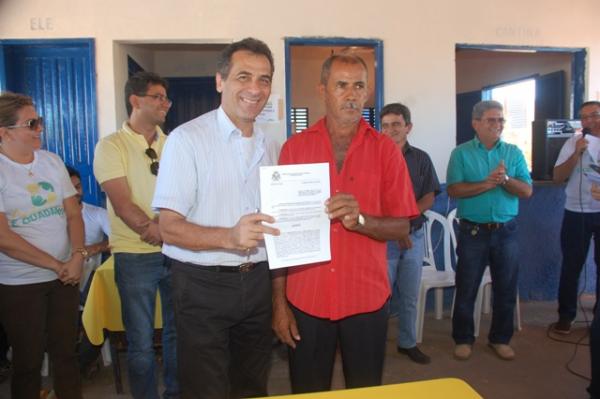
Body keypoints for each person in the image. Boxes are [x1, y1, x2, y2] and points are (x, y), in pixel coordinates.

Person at [271, 54, 418, 394]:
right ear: (323, 90)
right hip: (306, 299)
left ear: (367, 93)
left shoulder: (386, 151)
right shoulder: (294, 149)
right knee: (308, 390)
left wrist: (361, 220)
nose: (351, 95)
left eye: (359, 86)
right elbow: (280, 238)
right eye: (341, 85)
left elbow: (401, 227)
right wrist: (279, 305)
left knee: (365, 390)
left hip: (365, 299)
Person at [152, 38, 280, 399]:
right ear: (220, 81)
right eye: (244, 76)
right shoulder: (186, 140)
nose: (255, 89)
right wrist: (229, 237)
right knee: (205, 388)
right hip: (201, 284)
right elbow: (168, 227)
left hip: (256, 281)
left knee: (252, 384)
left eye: (265, 79)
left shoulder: (272, 144)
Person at [93, 72, 179, 399]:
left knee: (177, 334)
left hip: (175, 252)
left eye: (166, 99)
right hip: (133, 255)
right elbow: (122, 201)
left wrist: (170, 232)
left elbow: (185, 194)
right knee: (141, 341)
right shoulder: (111, 145)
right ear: (135, 100)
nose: (165, 104)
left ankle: (176, 393)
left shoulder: (171, 143)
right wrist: (154, 229)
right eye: (157, 97)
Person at [0, 92, 84, 398]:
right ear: (4, 132)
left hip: (65, 276)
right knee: (28, 360)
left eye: (40, 121)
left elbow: (73, 214)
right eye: (31, 123)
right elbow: (4, 238)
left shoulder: (51, 161)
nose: (40, 129)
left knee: (66, 354)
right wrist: (56, 264)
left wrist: (77, 256)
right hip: (21, 283)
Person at [447, 100, 532, 361]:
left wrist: (505, 180)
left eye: (501, 120)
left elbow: (527, 191)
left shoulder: (513, 152)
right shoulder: (460, 153)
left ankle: (500, 339)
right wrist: (486, 183)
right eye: (491, 120)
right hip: (473, 232)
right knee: (467, 287)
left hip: (506, 231)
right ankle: (463, 339)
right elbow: (454, 189)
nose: (498, 125)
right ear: (476, 123)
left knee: (506, 288)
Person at [380, 102, 440, 365]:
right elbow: (373, 200)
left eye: (396, 124)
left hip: (413, 237)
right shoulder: (373, 157)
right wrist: (394, 228)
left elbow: (428, 197)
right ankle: (372, 346)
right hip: (383, 240)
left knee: (409, 294)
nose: (390, 130)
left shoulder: (421, 158)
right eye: (385, 125)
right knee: (380, 297)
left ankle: (407, 342)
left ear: (408, 127)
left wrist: (404, 223)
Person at [552, 101, 600, 335]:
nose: (588, 121)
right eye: (583, 117)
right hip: (576, 212)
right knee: (572, 265)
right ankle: (566, 315)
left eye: (594, 115)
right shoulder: (573, 142)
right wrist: (576, 153)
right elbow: (557, 177)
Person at [66, 166, 110, 294]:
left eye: (78, 187)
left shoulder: (98, 214)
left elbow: (119, 240)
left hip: (88, 282)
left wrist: (91, 249)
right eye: (69, 189)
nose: (76, 192)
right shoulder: (52, 218)